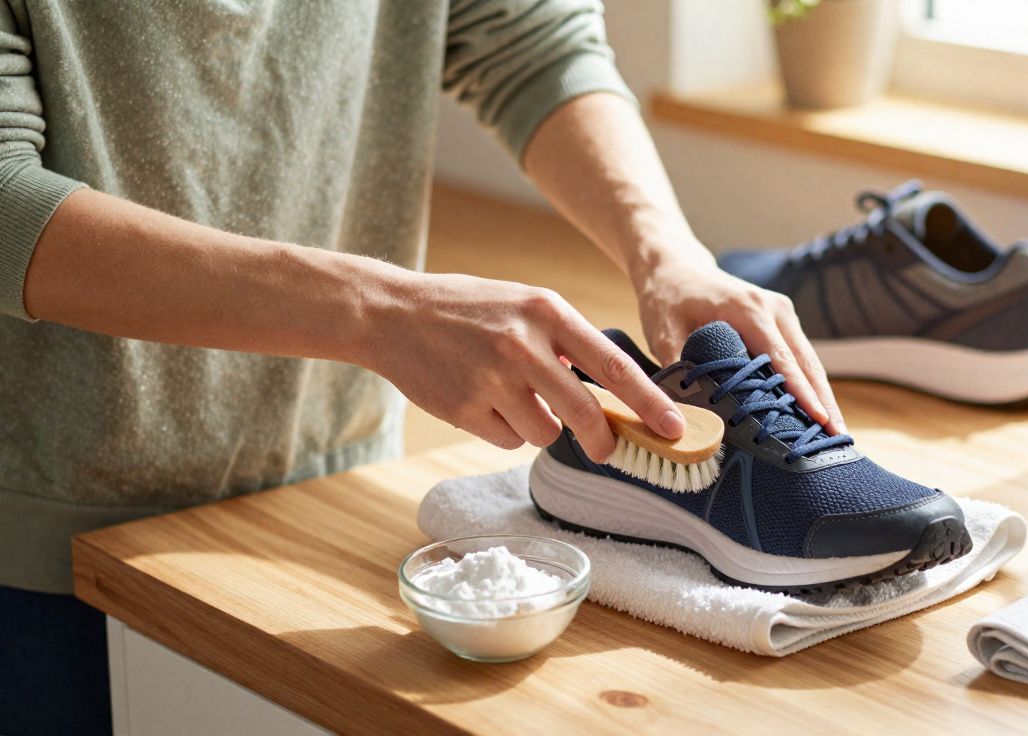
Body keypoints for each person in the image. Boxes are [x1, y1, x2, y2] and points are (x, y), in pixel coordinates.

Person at [0, 1, 845, 733]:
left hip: (333, 480)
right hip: (45, 536)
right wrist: (379, 313)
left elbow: (529, 39)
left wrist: (668, 251)